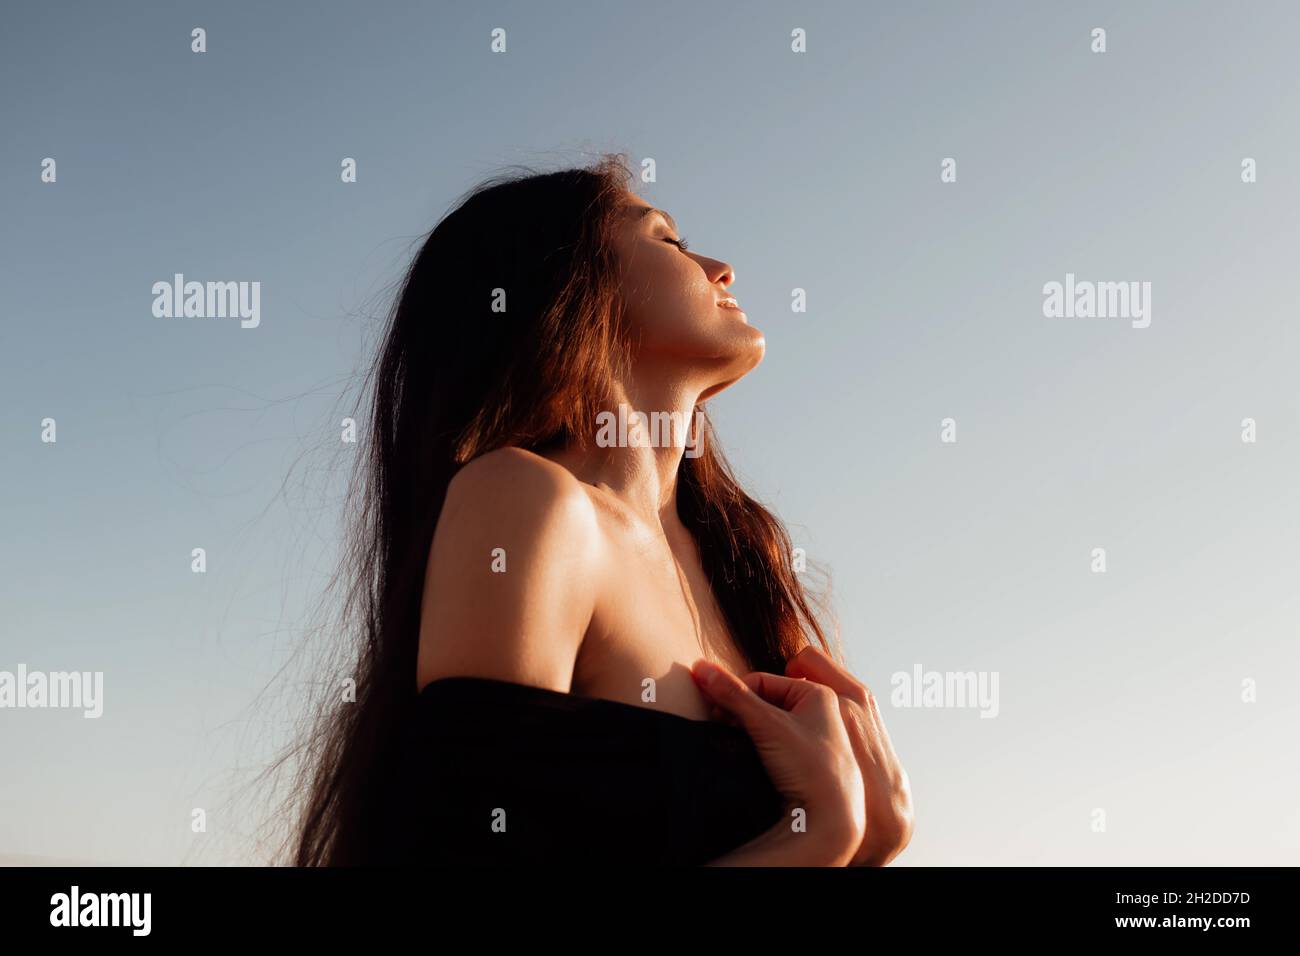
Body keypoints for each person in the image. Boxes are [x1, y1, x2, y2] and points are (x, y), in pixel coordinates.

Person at [287, 154, 913, 866]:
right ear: (565, 284)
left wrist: (875, 838)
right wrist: (821, 841)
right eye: (668, 240)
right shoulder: (529, 503)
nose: (721, 266)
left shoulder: (747, 568)